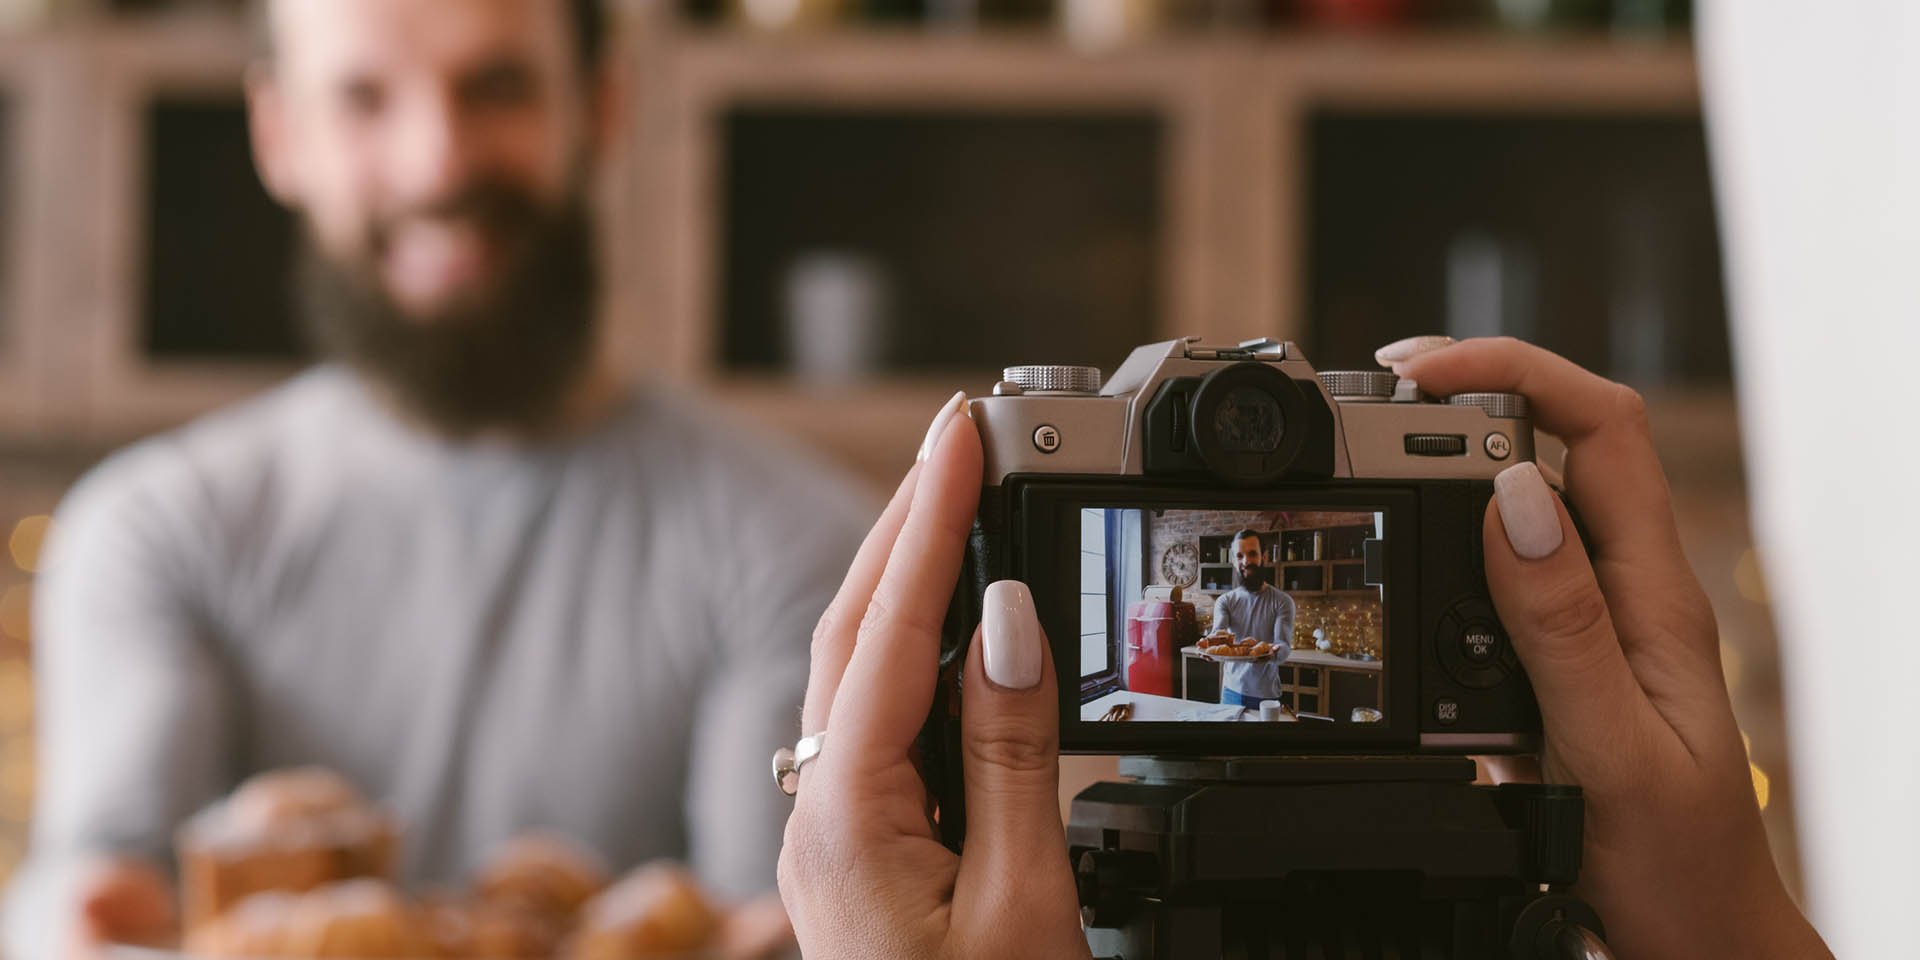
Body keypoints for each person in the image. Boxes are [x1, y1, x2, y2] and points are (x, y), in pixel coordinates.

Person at [0, 2, 868, 958]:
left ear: (602, 106)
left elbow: (784, 919)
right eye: (364, 98)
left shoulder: (801, 544)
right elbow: (96, 895)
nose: (438, 163)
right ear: (280, 134)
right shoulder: (154, 532)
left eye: (496, 89)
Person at [775, 337, 1835, 960]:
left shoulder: (1258, 599)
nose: (1246, 549)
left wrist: (1726, 925)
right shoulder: (1227, 588)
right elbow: (1240, 635)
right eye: (1237, 546)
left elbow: (1270, 647)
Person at [1210, 529, 1294, 708]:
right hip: (1230, 692)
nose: (1245, 561)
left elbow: (1284, 647)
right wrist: (1209, 648)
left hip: (1266, 695)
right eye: (1239, 556)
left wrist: (1273, 652)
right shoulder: (1224, 601)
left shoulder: (1282, 601)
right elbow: (1218, 635)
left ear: (1264, 557)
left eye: (1252, 554)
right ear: (1234, 561)